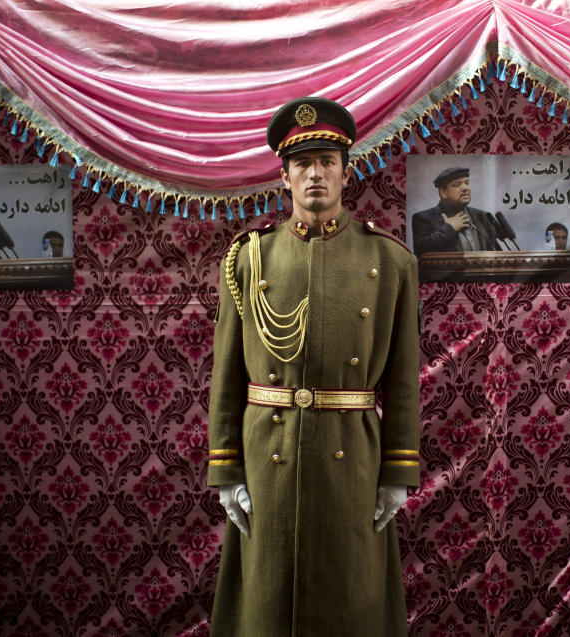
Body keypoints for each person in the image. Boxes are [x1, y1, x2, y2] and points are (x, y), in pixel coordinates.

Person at [207, 97, 421, 636]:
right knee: (266, 601)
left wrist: (398, 472)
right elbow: (227, 376)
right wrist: (226, 469)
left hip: (351, 461)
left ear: (346, 173)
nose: (316, 174)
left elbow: (401, 381)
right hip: (266, 456)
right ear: (284, 177)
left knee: (350, 598)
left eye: (327, 161)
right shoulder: (248, 258)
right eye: (303, 165)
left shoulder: (391, 262)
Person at [410, 166, 500, 256]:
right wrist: (449, 228)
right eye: (457, 185)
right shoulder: (423, 218)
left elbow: (496, 253)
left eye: (467, 183)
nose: (465, 188)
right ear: (443, 192)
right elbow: (420, 250)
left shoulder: (482, 216)